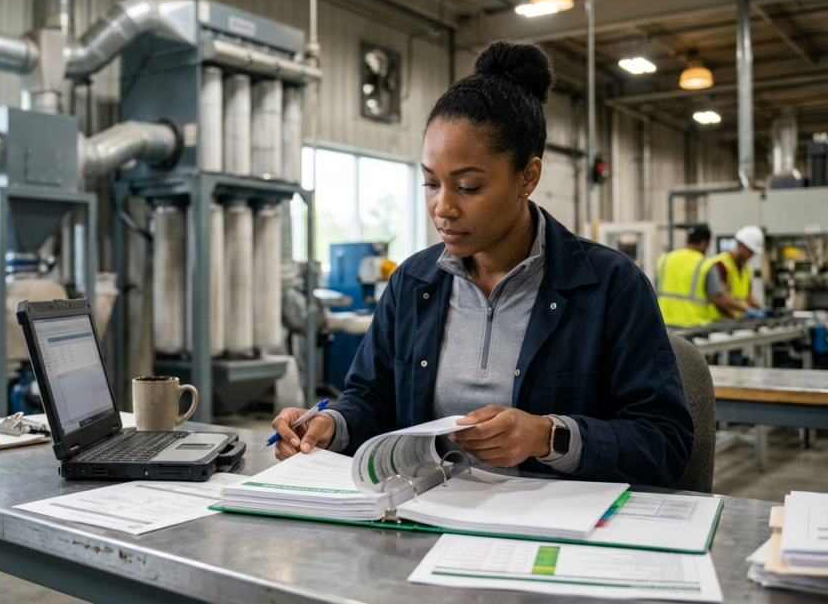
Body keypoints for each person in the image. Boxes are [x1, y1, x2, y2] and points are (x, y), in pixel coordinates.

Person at [271, 40, 694, 487]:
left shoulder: (609, 286)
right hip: (428, 517)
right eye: (431, 184)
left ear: (527, 176)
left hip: (549, 531)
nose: (443, 208)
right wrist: (333, 424)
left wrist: (549, 437)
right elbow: (371, 400)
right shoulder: (412, 283)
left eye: (468, 187)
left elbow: (664, 442)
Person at [655, 224, 715, 327]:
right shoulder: (705, 263)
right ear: (704, 242)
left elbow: (655, 292)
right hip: (696, 326)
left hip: (665, 325)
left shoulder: (665, 259)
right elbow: (716, 297)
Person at [701, 225, 764, 321]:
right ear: (741, 244)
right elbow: (721, 296)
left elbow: (748, 297)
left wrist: (761, 308)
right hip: (720, 319)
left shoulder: (746, 269)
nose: (751, 255)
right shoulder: (721, 264)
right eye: (750, 251)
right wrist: (746, 309)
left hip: (736, 319)